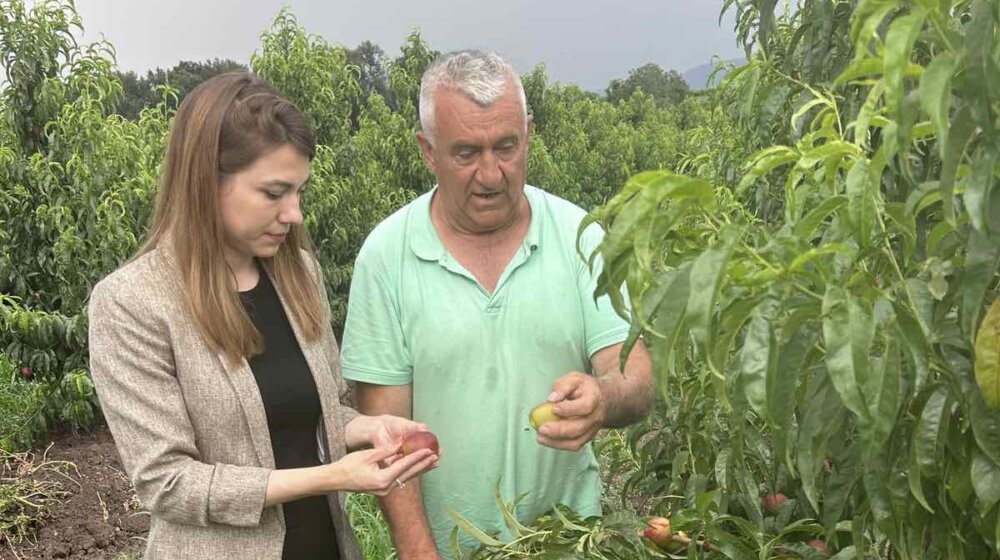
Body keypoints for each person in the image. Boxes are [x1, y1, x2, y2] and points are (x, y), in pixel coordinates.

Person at [87, 72, 439, 560]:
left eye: (298, 192)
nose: (293, 213)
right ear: (206, 182)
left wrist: (366, 429)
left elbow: (315, 410)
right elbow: (167, 483)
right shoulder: (133, 304)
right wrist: (334, 476)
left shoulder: (298, 275)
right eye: (274, 193)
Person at [340, 51, 654, 559]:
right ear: (427, 150)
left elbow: (636, 380)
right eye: (466, 153)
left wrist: (603, 396)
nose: (491, 174)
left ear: (528, 133)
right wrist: (421, 554)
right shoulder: (386, 257)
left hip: (567, 544)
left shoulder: (582, 237)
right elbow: (388, 441)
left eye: (506, 147)